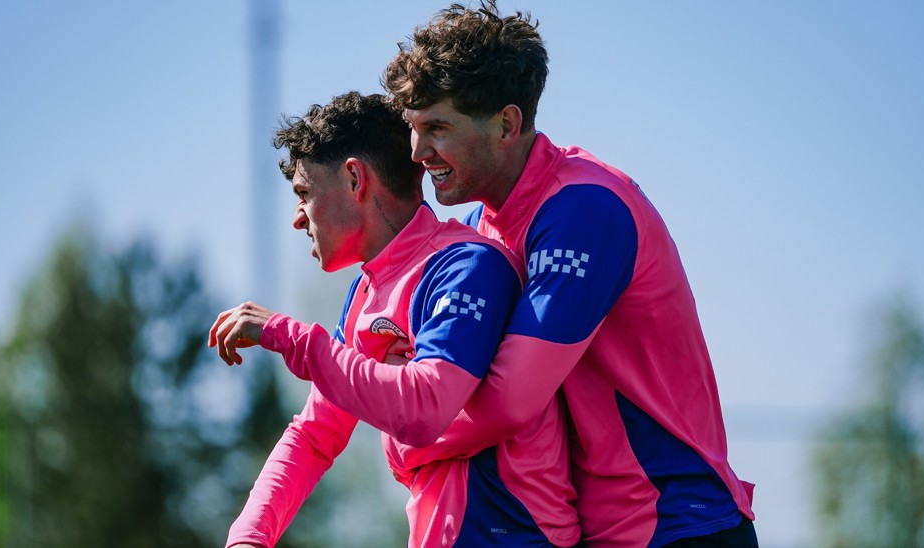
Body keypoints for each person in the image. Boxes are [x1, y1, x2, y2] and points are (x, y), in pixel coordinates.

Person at [375, 2, 759, 546]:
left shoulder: (582, 208)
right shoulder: (484, 225)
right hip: (601, 531)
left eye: (437, 127)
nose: (417, 152)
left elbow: (508, 400)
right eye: (413, 128)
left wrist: (408, 438)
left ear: (507, 123)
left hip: (677, 525)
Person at [209, 91, 579, 547]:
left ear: (353, 178)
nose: (297, 218)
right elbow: (314, 435)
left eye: (304, 193)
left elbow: (426, 407)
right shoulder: (366, 292)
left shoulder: (465, 264)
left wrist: (288, 337)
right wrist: (248, 537)